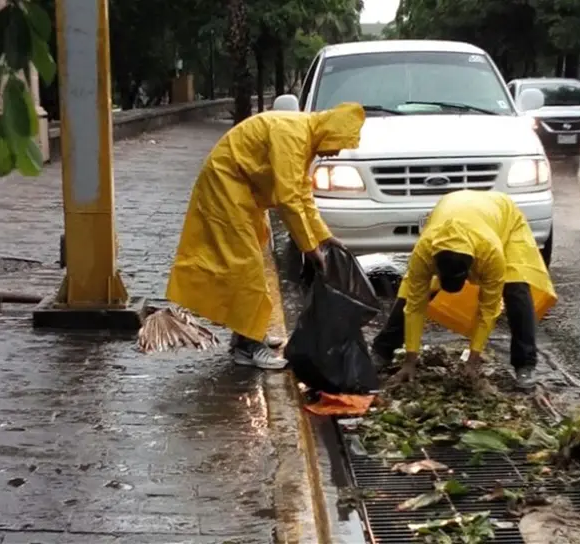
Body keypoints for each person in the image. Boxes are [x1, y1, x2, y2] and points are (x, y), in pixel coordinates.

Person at [166, 103, 366, 370]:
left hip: (241, 191)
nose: (336, 151)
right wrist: (309, 248)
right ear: (330, 133)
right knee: (246, 267)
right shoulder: (293, 135)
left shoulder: (305, 137)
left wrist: (324, 237)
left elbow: (301, 192)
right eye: (339, 144)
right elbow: (287, 199)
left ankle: (248, 333)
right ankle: (248, 347)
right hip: (226, 186)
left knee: (249, 265)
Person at [373, 190, 557, 390]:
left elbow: (488, 309)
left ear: (472, 269)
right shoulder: (425, 251)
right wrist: (410, 361)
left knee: (516, 287)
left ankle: (525, 364)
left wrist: (473, 359)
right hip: (453, 207)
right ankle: (383, 350)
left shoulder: (490, 253)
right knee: (412, 292)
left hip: (504, 216)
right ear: (436, 269)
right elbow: (414, 306)